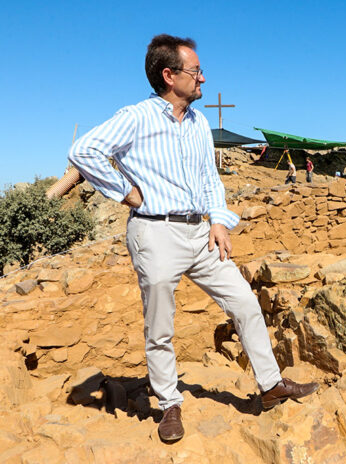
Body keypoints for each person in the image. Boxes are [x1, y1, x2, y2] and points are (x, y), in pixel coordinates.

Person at [68, 34, 318, 443]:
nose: (203, 77)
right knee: (160, 327)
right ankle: (169, 405)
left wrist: (218, 221)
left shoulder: (200, 122)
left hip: (200, 232)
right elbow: (84, 150)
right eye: (196, 70)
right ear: (169, 75)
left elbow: (208, 178)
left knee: (243, 301)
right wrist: (125, 192)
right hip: (155, 232)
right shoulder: (137, 117)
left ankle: (271, 385)